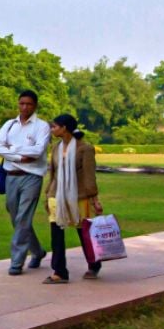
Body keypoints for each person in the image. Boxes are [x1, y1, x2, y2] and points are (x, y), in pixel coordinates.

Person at [0, 89, 51, 275]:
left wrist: (10, 150)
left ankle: (16, 262)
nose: (25, 107)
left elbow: (37, 151)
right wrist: (19, 154)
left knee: (23, 218)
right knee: (16, 217)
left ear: (35, 106)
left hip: (32, 177)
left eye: (29, 104)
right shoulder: (10, 125)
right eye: (22, 103)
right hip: (11, 176)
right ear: (18, 104)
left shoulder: (42, 126)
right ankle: (38, 251)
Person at [42, 114, 103, 283]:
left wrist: (95, 199)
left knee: (83, 232)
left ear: (64, 128)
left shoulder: (85, 148)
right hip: (57, 196)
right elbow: (53, 174)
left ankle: (94, 264)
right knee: (56, 233)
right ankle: (60, 271)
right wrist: (48, 194)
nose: (52, 129)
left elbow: (89, 177)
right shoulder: (55, 148)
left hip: (79, 196)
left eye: (55, 126)